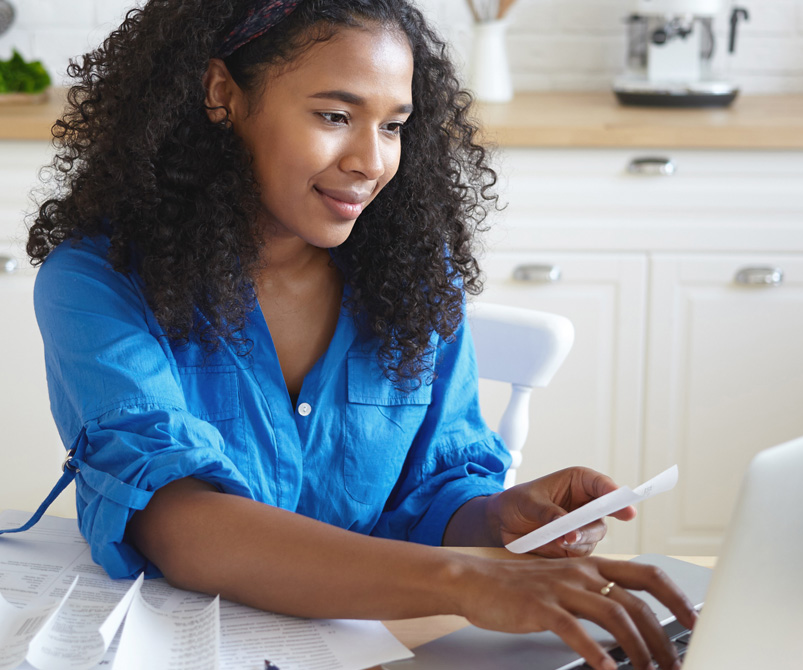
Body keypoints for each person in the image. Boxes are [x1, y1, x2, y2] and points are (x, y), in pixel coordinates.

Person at [22, 1, 695, 669]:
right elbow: (182, 525)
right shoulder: (96, 282)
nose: (371, 161)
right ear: (222, 93)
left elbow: (430, 494)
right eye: (335, 116)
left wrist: (495, 521)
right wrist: (467, 580)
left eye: (394, 125)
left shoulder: (409, 279)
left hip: (386, 649)